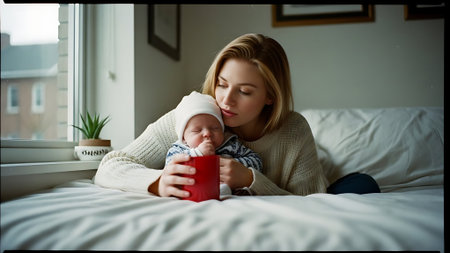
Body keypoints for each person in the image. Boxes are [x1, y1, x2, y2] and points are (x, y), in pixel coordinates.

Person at [94, 33, 379, 198]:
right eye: (221, 84)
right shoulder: (194, 114)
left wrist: (250, 179)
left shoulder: (293, 129)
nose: (226, 100)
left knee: (364, 185)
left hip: (318, 172)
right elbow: (110, 165)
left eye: (244, 91)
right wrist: (158, 182)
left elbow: (310, 202)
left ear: (270, 96)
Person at [166, 91, 263, 195]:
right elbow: (170, 169)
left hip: (230, 193)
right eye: (197, 130)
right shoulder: (179, 150)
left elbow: (257, 161)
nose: (207, 133)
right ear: (184, 137)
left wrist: (234, 165)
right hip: (193, 191)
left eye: (215, 128)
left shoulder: (230, 145)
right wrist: (197, 154)